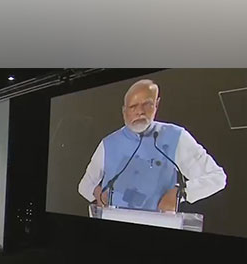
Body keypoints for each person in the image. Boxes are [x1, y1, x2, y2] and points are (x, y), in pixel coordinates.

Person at [78, 79, 227, 212]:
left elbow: (216, 178)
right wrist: (99, 195)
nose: (140, 112)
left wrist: (180, 193)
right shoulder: (108, 144)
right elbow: (85, 185)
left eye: (147, 104)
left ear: (156, 104)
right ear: (124, 112)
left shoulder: (175, 136)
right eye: (133, 107)